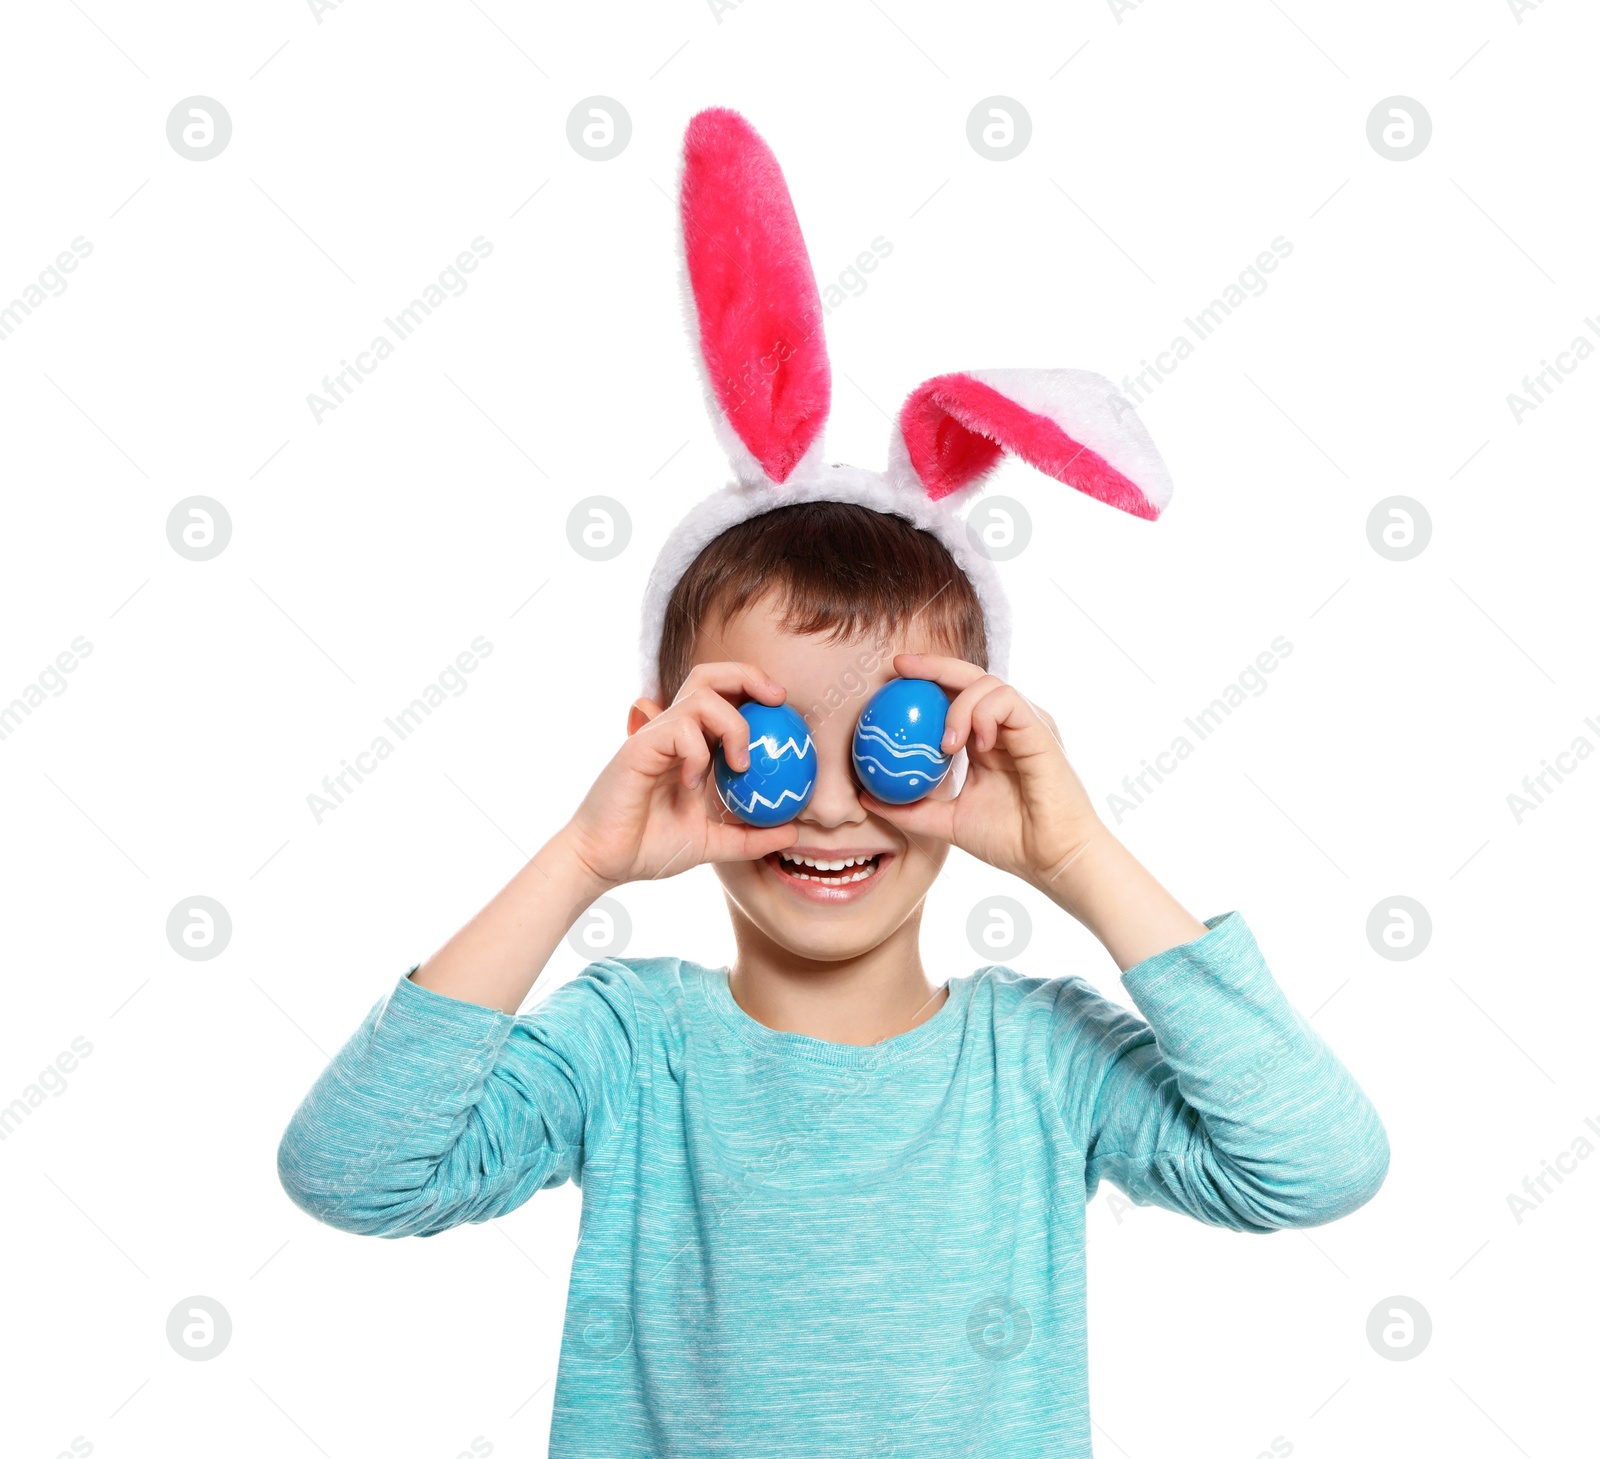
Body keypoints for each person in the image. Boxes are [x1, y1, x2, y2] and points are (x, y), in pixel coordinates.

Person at [277, 108, 1388, 1458]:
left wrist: (1078, 856)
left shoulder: (1035, 1061)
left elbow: (1318, 1165)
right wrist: (581, 855)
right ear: (670, 740)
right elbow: (351, 1174)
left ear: (971, 747)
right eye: (772, 735)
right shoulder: (631, 1049)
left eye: (890, 736)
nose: (832, 803)